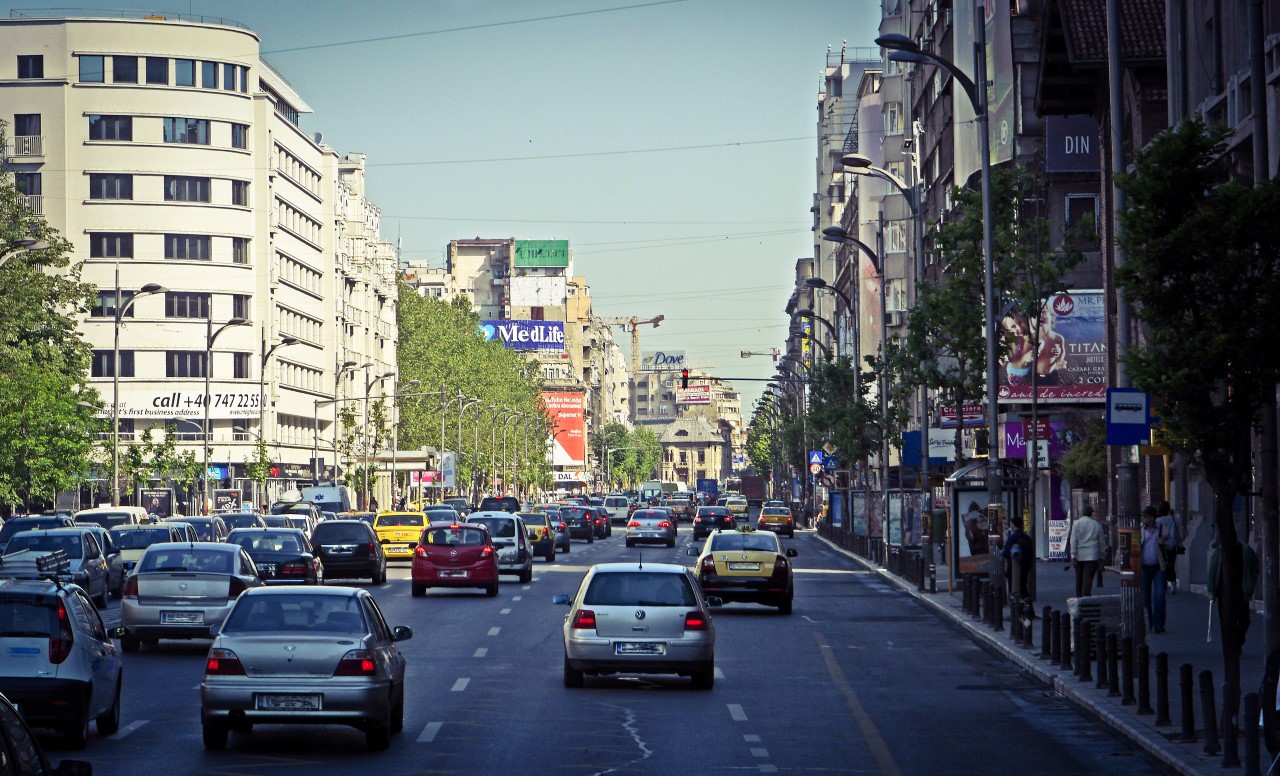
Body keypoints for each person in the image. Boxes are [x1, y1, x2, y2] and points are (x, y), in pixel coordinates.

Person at [1207, 538, 1261, 647]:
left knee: (1244, 619)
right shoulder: (1220, 552)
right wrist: (1211, 590)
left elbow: (1255, 565)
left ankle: (1237, 641)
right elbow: (1212, 571)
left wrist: (1251, 582)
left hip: (1241, 591)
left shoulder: (1245, 550)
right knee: (1226, 620)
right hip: (1223, 592)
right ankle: (1230, 646)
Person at [1140, 505, 1175, 634]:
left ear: (1152, 518)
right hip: (1144, 567)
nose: (1143, 518)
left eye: (1145, 516)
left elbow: (1172, 544)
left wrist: (1164, 542)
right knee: (1145, 598)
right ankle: (1149, 624)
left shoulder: (1162, 529)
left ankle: (1158, 624)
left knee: (1159, 596)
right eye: (1142, 516)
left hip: (1158, 567)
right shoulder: (1140, 530)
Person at [1069, 505, 1105, 598]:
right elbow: (1101, 542)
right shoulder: (1096, 525)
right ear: (1091, 513)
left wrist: (1073, 555)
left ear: (1083, 513)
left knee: (1079, 577)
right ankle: (1086, 595)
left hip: (1079, 555)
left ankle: (1079, 597)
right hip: (1092, 555)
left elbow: (1073, 540)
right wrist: (1101, 556)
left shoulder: (1077, 524)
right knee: (1088, 577)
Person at [1001, 516, 1034, 597]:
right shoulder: (1027, 538)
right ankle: (1026, 600)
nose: (1010, 526)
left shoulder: (1012, 538)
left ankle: (1016, 601)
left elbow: (1006, 553)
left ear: (1014, 525)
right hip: (1026, 564)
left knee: (1014, 585)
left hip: (1014, 565)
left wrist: (1003, 553)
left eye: (1011, 524)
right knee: (1023, 583)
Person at [1155, 500, 1181, 594]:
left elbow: (1157, 533)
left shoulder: (1158, 521)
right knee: (1171, 564)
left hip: (1162, 545)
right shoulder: (1175, 519)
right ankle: (1173, 583)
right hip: (1173, 544)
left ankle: (1164, 583)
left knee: (1162, 564)